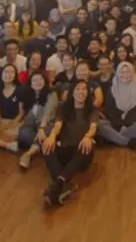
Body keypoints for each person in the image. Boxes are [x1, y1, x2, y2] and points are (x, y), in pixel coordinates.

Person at [40, 79, 98, 207]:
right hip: (65, 149)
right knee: (46, 146)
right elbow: (58, 125)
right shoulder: (63, 107)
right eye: (78, 89)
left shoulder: (92, 109)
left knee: (89, 146)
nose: (81, 92)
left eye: (84, 89)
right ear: (72, 92)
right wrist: (52, 136)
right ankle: (64, 184)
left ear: (88, 92)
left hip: (80, 152)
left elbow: (93, 127)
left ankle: (55, 186)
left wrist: (88, 136)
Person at [98, 61, 136, 150]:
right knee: (101, 125)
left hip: (131, 125)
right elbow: (110, 110)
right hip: (114, 124)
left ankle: (113, 139)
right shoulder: (112, 88)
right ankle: (128, 142)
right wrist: (120, 125)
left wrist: (126, 124)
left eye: (128, 72)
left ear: (132, 73)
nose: (125, 75)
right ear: (118, 73)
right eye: (122, 72)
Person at [18, 72, 51, 169]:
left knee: (46, 130)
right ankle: (43, 145)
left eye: (40, 79)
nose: (38, 82)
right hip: (32, 127)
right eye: (34, 80)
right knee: (23, 133)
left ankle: (28, 154)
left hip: (46, 124)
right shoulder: (28, 95)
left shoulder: (51, 94)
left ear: (45, 81)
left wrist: (41, 128)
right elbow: (26, 119)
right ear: (31, 84)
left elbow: (49, 113)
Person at [0, 65, 24, 153]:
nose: (8, 74)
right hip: (1, 120)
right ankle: (8, 145)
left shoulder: (20, 90)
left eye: (11, 72)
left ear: (15, 75)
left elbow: (21, 114)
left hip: (15, 122)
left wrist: (8, 126)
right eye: (5, 71)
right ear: (1, 74)